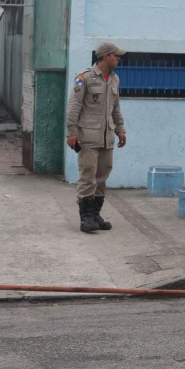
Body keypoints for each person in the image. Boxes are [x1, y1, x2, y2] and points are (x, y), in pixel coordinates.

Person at [66, 42, 128, 233]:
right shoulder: (84, 78)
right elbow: (74, 107)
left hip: (106, 137)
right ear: (105, 56)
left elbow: (115, 108)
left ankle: (95, 215)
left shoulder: (114, 80)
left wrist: (121, 129)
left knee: (102, 176)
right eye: (115, 55)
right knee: (88, 177)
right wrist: (72, 132)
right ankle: (85, 218)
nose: (118, 59)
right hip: (88, 137)